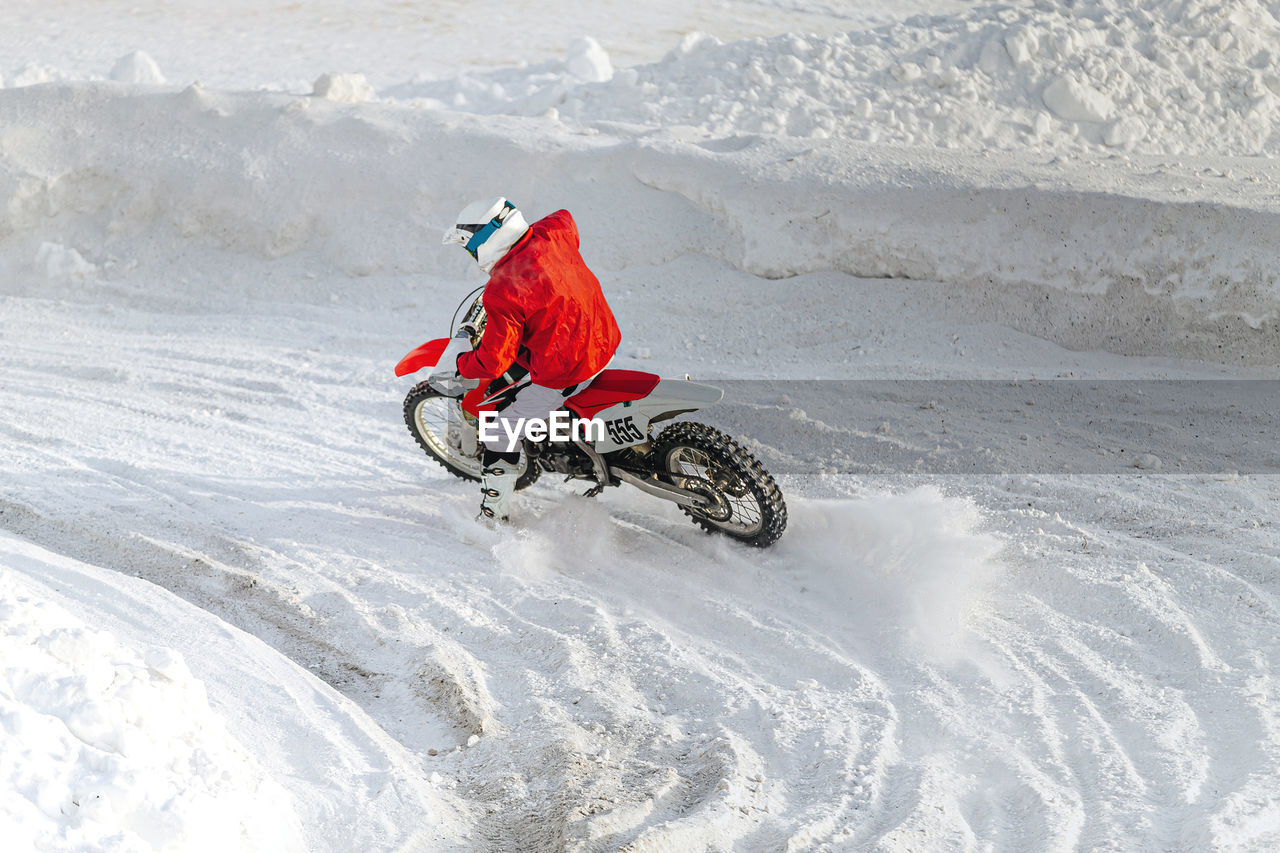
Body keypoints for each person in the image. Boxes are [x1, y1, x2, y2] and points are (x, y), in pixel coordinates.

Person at [435, 197, 621, 524]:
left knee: (501, 431)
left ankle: (493, 515)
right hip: (602, 336)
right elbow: (566, 215)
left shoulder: (504, 288)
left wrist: (463, 363)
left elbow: (494, 360)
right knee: (524, 368)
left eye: (469, 248)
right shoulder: (554, 233)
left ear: (487, 242)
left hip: (571, 368)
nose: (471, 256)